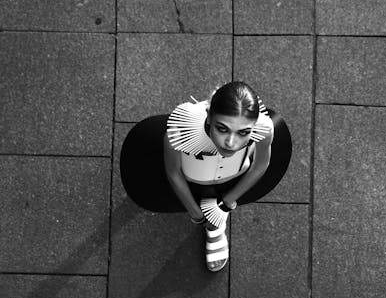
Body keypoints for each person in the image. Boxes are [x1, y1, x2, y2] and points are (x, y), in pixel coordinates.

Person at [120, 81, 292, 272]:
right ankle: (212, 226)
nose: (231, 143)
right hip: (192, 180)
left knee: (217, 215)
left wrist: (225, 204)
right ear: (209, 116)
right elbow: (173, 172)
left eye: (243, 132)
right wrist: (198, 216)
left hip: (234, 177)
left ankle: (216, 227)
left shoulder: (264, 128)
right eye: (222, 128)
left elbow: (260, 165)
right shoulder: (179, 132)